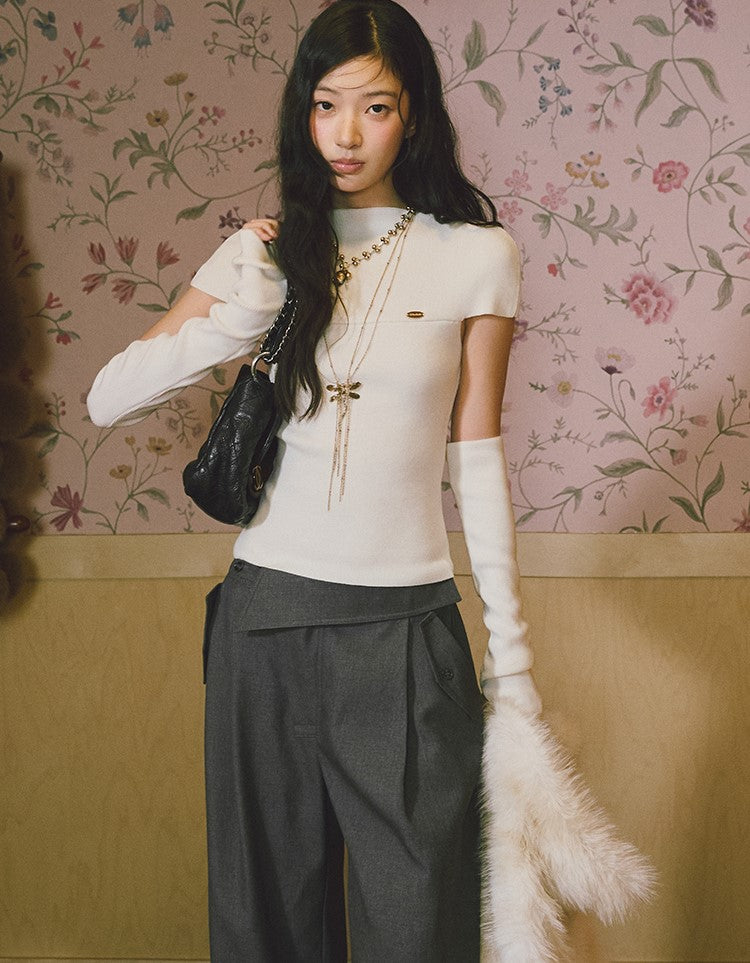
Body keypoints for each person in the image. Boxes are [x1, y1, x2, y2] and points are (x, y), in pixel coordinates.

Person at [88, 1, 652, 959]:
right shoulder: (264, 250)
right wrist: (242, 311)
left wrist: (510, 657)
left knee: (420, 921)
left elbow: (477, 456)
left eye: (375, 107)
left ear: (413, 114)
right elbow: (109, 397)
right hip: (265, 623)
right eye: (326, 105)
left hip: (406, 632)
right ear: (302, 115)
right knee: (262, 926)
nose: (346, 134)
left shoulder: (478, 255)